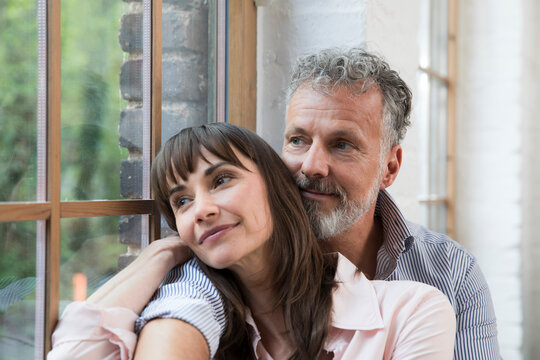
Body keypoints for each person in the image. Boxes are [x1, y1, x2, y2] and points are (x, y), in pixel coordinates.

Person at [135, 48, 500, 359]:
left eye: (342, 144)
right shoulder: (232, 257)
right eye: (297, 140)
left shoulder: (450, 272)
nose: (311, 165)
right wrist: (160, 258)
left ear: (389, 167)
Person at [48, 123, 455, 359]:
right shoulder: (191, 311)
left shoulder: (412, 310)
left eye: (222, 180)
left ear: (277, 187)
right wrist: (160, 254)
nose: (201, 210)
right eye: (182, 202)